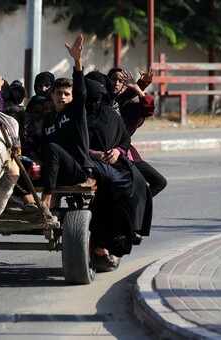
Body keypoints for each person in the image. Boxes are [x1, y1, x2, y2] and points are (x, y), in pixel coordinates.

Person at [84, 78, 152, 269]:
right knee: (109, 185)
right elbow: (75, 144)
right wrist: (94, 154)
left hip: (117, 159)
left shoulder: (111, 115)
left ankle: (132, 230)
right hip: (90, 161)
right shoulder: (78, 116)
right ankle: (101, 244)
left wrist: (117, 151)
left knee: (137, 184)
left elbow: (124, 139)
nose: (94, 101)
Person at [39, 34, 95, 217]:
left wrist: (77, 61)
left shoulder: (75, 111)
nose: (62, 97)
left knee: (53, 148)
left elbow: (80, 90)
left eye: (66, 94)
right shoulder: (48, 118)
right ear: (52, 96)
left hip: (78, 170)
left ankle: (46, 199)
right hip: (55, 170)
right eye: (59, 93)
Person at [105, 67, 167, 197]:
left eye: (120, 81)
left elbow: (147, 109)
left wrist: (138, 87)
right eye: (113, 79)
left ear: (123, 85)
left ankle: (140, 204)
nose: (116, 83)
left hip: (124, 150)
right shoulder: (100, 100)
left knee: (159, 182)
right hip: (103, 151)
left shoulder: (126, 104)